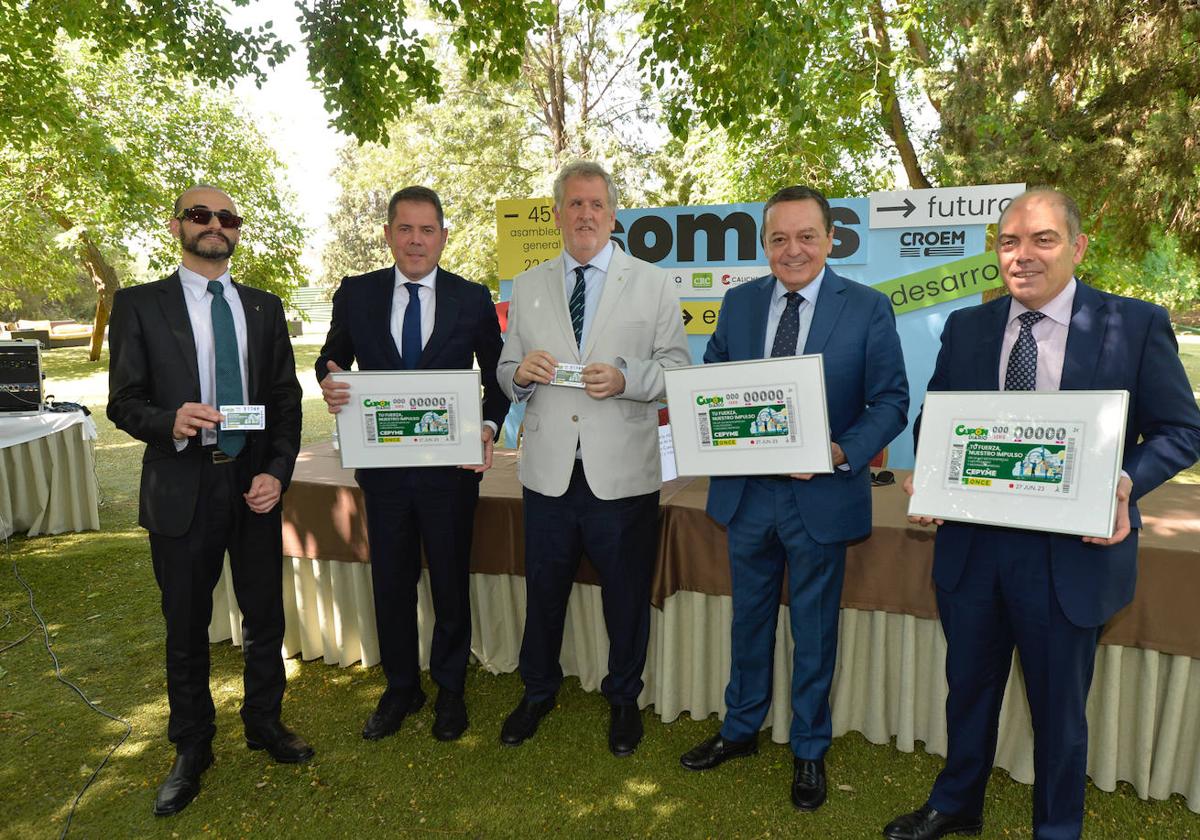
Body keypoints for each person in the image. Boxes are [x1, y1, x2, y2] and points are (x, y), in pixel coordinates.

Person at [884, 188, 1200, 840]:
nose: (1022, 255)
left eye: (1042, 240)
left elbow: (1180, 430)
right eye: (1008, 241)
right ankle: (956, 804)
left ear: (1078, 247)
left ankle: (1056, 827)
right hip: (974, 550)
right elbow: (936, 418)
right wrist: (937, 468)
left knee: (1059, 711)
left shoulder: (1134, 323)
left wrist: (1121, 482)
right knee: (967, 689)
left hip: (1070, 557)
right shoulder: (969, 327)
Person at [679, 185, 909, 811]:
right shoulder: (739, 304)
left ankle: (809, 748)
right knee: (748, 619)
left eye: (807, 236)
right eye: (779, 238)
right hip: (748, 496)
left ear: (832, 240)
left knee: (813, 628)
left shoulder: (866, 307)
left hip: (822, 497)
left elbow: (891, 402)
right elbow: (716, 384)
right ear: (765, 244)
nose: (793, 249)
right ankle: (740, 729)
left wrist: (837, 451)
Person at [108, 185, 311, 817]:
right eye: (201, 215)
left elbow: (284, 400)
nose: (214, 225)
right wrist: (170, 419)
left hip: (252, 487)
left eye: (227, 217)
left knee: (264, 620)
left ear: (236, 231)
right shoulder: (140, 305)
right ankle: (192, 747)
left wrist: (278, 471)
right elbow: (123, 401)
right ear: (178, 227)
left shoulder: (263, 307)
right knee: (186, 628)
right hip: (181, 487)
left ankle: (265, 724)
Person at [495, 160, 690, 756]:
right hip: (548, 472)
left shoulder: (653, 283)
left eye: (596, 205)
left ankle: (624, 697)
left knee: (626, 595)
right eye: (574, 204)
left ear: (613, 215)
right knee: (545, 590)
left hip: (623, 473)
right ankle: (537, 691)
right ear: (556, 215)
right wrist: (519, 378)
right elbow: (505, 370)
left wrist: (629, 377)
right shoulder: (527, 286)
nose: (585, 214)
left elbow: (678, 371)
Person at [315, 186, 508, 744]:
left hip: (451, 476)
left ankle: (450, 688)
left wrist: (489, 428)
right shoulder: (356, 294)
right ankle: (402, 687)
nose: (417, 240)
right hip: (383, 474)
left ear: (444, 238)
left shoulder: (471, 298)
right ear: (388, 235)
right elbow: (333, 362)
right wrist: (329, 383)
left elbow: (498, 378)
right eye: (406, 229)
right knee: (391, 583)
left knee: (450, 582)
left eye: (428, 230)